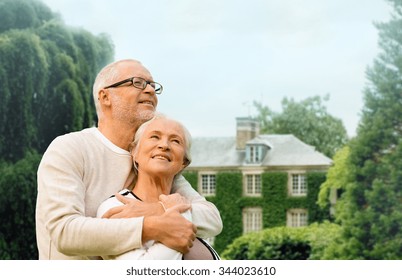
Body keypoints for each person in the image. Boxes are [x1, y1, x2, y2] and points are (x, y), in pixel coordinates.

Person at [36, 59, 222, 259]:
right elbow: (65, 232)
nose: (150, 90)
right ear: (105, 96)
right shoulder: (70, 148)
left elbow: (211, 217)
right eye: (137, 82)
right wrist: (151, 226)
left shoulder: (152, 160)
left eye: (152, 85)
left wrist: (155, 210)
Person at [97, 114, 219, 260]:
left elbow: (214, 220)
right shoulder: (116, 206)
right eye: (154, 137)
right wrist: (178, 216)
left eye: (175, 141)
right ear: (134, 152)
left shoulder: (183, 202)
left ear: (184, 163)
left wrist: (163, 210)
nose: (164, 145)